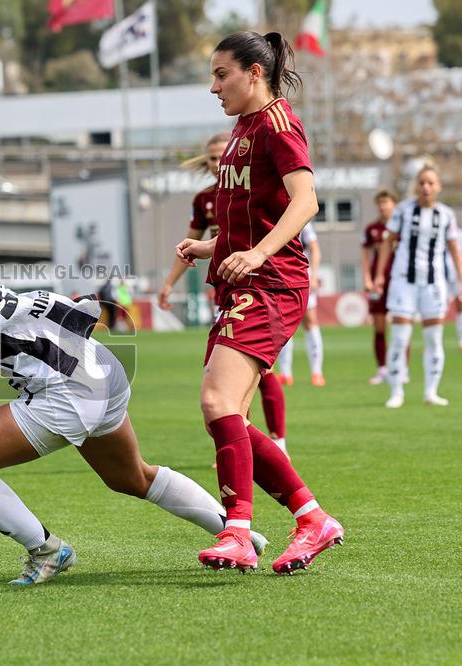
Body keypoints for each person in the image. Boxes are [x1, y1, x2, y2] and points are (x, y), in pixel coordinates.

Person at [0, 139, 267, 586]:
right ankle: (238, 533)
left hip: (66, 389)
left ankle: (47, 551)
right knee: (133, 477)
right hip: (100, 369)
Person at [175, 31, 343, 574]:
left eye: (221, 74)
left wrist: (258, 254)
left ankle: (239, 532)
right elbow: (249, 219)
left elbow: (306, 200)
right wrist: (212, 247)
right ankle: (311, 518)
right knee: (228, 415)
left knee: (217, 403)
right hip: (246, 281)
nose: (212, 86)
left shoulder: (278, 124)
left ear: (254, 73)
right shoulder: (244, 128)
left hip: (271, 284)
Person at [159, 132, 288, 454]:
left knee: (262, 371)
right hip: (224, 289)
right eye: (213, 159)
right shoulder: (204, 199)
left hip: (260, 286)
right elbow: (190, 245)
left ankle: (277, 443)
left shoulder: (252, 189)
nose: (218, 164)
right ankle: (241, 445)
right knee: (222, 381)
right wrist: (168, 283)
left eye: (222, 157)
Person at [374, 165, 462, 407]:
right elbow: (387, 243)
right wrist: (381, 275)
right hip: (404, 281)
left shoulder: (445, 215)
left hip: (434, 283)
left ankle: (431, 392)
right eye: (422, 182)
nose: (426, 187)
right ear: (416, 185)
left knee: (434, 338)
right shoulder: (403, 210)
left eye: (431, 183)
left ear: (438, 187)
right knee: (400, 337)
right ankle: (396, 392)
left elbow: (454, 250)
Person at [275, 221, 325, 386]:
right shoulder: (273, 215)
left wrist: (314, 274)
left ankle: (317, 372)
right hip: (279, 275)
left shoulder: (302, 219)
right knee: (282, 325)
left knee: (310, 322)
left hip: (301, 274)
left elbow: (315, 249)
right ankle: (285, 373)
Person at [361, 190, 398, 383]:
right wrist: (367, 278)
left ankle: (401, 369)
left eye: (387, 202)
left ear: (394, 204)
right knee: (379, 326)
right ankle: (382, 369)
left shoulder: (402, 227)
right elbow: (365, 255)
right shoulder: (371, 229)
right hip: (378, 283)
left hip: (399, 281)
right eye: (380, 203)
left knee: (401, 325)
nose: (383, 206)